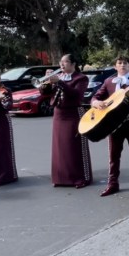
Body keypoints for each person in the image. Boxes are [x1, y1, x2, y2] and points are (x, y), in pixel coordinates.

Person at [91, 56, 129, 198]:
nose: (122, 65)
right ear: (115, 66)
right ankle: (113, 184)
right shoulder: (108, 81)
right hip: (113, 125)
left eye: (125, 63)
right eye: (119, 63)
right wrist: (96, 103)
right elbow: (95, 97)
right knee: (113, 156)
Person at [40, 54, 92, 188]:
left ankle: (79, 178)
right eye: (60, 62)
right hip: (59, 114)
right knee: (60, 147)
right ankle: (60, 178)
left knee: (73, 146)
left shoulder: (80, 78)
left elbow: (76, 96)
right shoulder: (59, 77)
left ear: (73, 64)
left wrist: (60, 82)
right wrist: (46, 82)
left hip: (73, 113)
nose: (61, 65)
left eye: (65, 62)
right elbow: (44, 93)